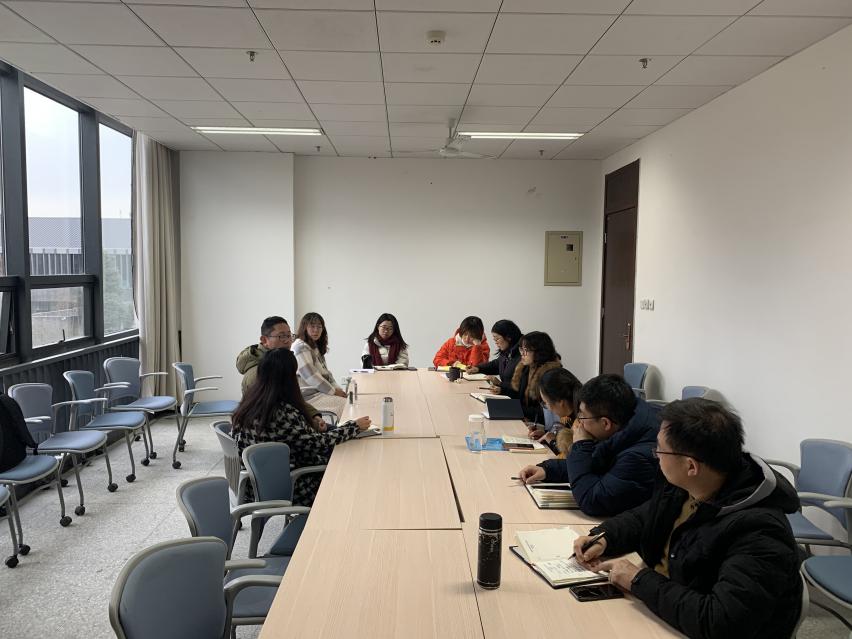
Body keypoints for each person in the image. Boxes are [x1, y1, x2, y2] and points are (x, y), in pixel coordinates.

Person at [572, 398, 802, 639]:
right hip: (666, 607)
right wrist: (605, 537)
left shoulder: (760, 532)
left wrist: (638, 580)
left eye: (660, 449)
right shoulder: (689, 483)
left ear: (691, 466)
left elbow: (720, 623)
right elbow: (647, 516)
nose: (656, 455)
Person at [231, 349, 371, 506]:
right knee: (351, 465)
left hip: (258, 484)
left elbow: (296, 438)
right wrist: (353, 427)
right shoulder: (282, 412)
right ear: (288, 377)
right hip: (294, 483)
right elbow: (317, 444)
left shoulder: (249, 405)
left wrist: (313, 423)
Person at [517, 373, 660, 516]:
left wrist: (581, 445)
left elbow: (591, 501)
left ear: (605, 423)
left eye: (583, 416)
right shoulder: (623, 423)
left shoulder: (639, 456)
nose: (579, 423)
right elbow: (595, 463)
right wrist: (548, 470)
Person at [235, 316, 326, 429]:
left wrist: (314, 415)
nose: (287, 341)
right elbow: (275, 417)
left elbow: (292, 397)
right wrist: (312, 423)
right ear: (264, 340)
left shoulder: (281, 362)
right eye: (281, 336)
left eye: (289, 335)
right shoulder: (259, 372)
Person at [292, 312, 346, 410]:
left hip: (319, 392)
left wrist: (338, 389)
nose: (316, 330)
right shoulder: (301, 347)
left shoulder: (313, 346)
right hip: (308, 397)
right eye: (312, 326)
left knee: (350, 401)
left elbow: (326, 373)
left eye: (319, 327)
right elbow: (311, 377)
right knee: (347, 405)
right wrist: (334, 391)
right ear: (305, 327)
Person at [507, 331, 562, 428]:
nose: (522, 354)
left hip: (543, 427)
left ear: (539, 352)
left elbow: (548, 413)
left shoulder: (551, 375)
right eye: (521, 349)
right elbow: (518, 396)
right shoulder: (526, 368)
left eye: (526, 350)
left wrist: (517, 410)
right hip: (526, 421)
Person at [466, 319, 522, 393]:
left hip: (514, 399)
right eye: (494, 339)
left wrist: (500, 384)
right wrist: (478, 368)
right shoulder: (507, 352)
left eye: (497, 339)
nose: (496, 342)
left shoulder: (523, 356)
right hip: (506, 395)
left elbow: (522, 389)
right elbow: (496, 364)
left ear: (509, 337)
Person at [537, 367, 583, 454]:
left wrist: (553, 442)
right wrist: (547, 435)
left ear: (560, 402)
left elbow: (573, 456)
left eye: (545, 402)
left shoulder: (581, 424)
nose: (547, 407)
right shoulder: (577, 411)